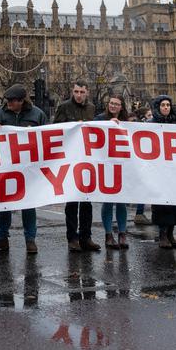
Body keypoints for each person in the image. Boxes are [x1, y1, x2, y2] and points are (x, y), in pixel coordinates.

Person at [0, 84, 46, 255]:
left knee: (28, 204)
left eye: (12, 101)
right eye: (7, 100)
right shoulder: (0, 113)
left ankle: (30, 239)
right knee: (4, 202)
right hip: (6, 165)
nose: (8, 103)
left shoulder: (37, 114)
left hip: (28, 166)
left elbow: (47, 135)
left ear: (22, 101)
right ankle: (2, 237)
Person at [53, 81, 101, 252]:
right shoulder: (64, 107)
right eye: (76, 91)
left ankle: (86, 237)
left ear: (87, 92)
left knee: (87, 203)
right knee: (72, 202)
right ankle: (72, 238)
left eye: (82, 91)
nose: (79, 95)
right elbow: (55, 129)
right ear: (72, 92)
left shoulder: (91, 108)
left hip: (86, 159)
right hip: (70, 159)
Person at [150, 95, 176, 249]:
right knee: (162, 203)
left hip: (175, 169)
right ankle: (162, 235)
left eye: (168, 105)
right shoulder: (150, 124)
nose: (166, 107)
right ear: (157, 107)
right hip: (159, 169)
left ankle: (171, 234)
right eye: (163, 105)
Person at [96, 95, 129, 249]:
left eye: (116, 104)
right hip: (107, 164)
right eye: (111, 103)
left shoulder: (128, 122)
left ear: (121, 107)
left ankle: (122, 234)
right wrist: (106, 124)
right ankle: (109, 235)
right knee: (108, 202)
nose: (113, 106)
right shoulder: (100, 118)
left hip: (122, 164)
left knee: (122, 202)